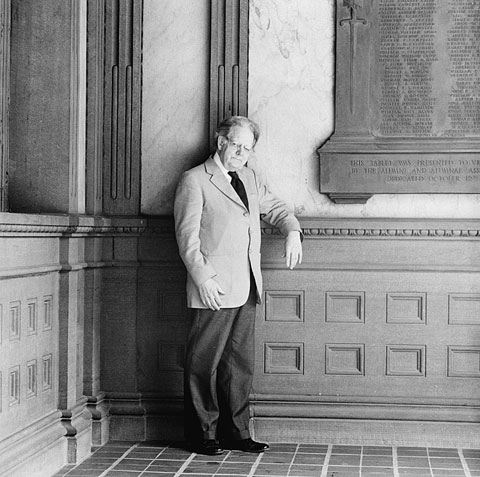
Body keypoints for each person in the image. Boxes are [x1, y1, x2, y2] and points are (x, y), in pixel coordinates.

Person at [174, 116, 303, 456]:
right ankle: (201, 434)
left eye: (248, 148)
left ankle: (237, 432)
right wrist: (203, 279)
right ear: (221, 142)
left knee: (239, 365)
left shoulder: (249, 177)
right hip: (214, 288)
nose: (242, 153)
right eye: (237, 145)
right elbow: (187, 239)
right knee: (203, 363)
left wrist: (292, 230)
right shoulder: (194, 180)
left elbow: (275, 208)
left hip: (247, 285)